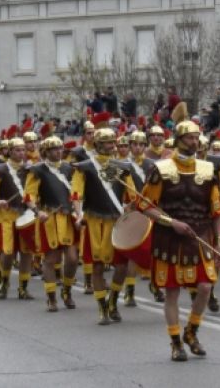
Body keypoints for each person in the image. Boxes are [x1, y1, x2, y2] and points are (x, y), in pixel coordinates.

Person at [137, 119, 220, 361]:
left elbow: (217, 210)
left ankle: (191, 332)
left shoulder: (208, 170)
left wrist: (219, 241)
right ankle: (175, 342)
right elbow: (144, 205)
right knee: (173, 292)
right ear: (178, 140)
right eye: (189, 138)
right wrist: (171, 222)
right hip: (169, 238)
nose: (194, 142)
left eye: (197, 138)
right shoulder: (161, 169)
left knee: (206, 287)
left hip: (200, 235)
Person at [71, 127, 135, 325]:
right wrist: (78, 213)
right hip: (94, 221)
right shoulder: (85, 167)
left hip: (116, 221)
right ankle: (102, 308)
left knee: (122, 266)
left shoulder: (121, 167)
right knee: (97, 266)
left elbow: (131, 195)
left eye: (112, 142)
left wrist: (130, 209)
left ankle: (114, 300)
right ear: (98, 144)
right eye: (107, 142)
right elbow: (76, 194)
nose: (111, 145)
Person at [24, 136, 79, 312]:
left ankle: (67, 291)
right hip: (50, 218)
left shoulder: (69, 168)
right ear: (46, 152)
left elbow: (76, 193)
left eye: (60, 148)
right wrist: (36, 210)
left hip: (68, 217)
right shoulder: (37, 170)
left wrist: (79, 212)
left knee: (72, 259)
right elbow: (28, 196)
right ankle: (51, 297)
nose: (58, 151)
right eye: (54, 149)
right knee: (51, 259)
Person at [0, 137, 35, 300]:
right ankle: (5, 282)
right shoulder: (0, 170)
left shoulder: (30, 170)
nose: (21, 153)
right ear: (10, 151)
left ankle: (23, 288)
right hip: (7, 217)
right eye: (17, 150)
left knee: (26, 252)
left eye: (23, 150)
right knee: (8, 253)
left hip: (26, 214)